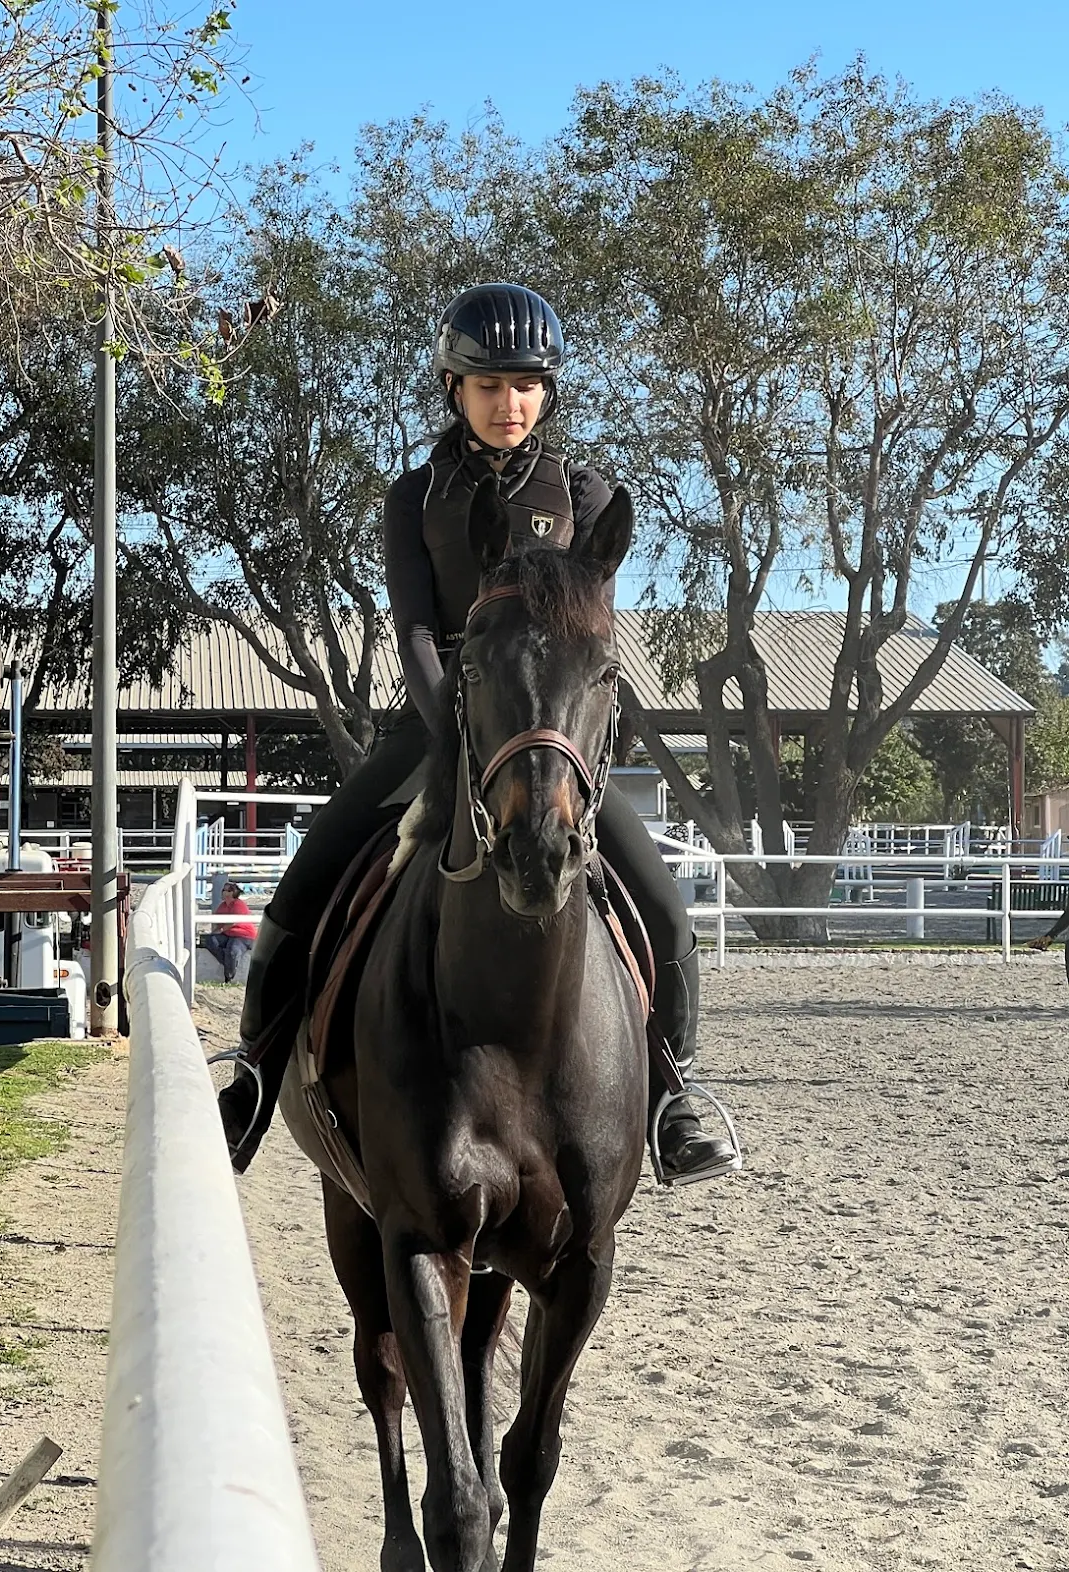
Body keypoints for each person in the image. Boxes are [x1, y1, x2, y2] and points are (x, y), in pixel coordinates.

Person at [219, 282, 742, 1186]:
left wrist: (548, 739)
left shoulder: (585, 495)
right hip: (442, 723)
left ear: (547, 393)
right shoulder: (414, 496)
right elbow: (417, 631)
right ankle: (255, 1080)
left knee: (660, 904)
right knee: (302, 887)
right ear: (454, 390)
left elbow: (588, 640)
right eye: (490, 386)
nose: (510, 405)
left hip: (547, 733)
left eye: (527, 386)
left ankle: (673, 1094)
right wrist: (455, 731)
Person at [202, 881, 257, 983]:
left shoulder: (238, 904)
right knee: (210, 940)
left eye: (225, 890)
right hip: (229, 935)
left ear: (231, 892)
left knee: (233, 950)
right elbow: (217, 921)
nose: (222, 892)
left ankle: (229, 977)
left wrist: (220, 930)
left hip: (243, 935)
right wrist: (214, 932)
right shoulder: (223, 905)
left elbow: (233, 921)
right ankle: (229, 965)